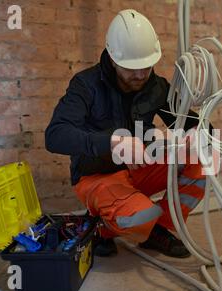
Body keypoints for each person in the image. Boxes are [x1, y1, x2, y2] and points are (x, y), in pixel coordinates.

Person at [45, 9, 209, 258]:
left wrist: (197, 133)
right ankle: (101, 226)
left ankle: (158, 230)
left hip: (138, 169)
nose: (141, 75)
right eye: (132, 68)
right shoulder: (85, 85)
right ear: (112, 57)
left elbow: (190, 122)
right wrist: (111, 142)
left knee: (206, 160)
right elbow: (55, 136)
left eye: (146, 66)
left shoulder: (156, 86)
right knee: (138, 218)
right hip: (96, 176)